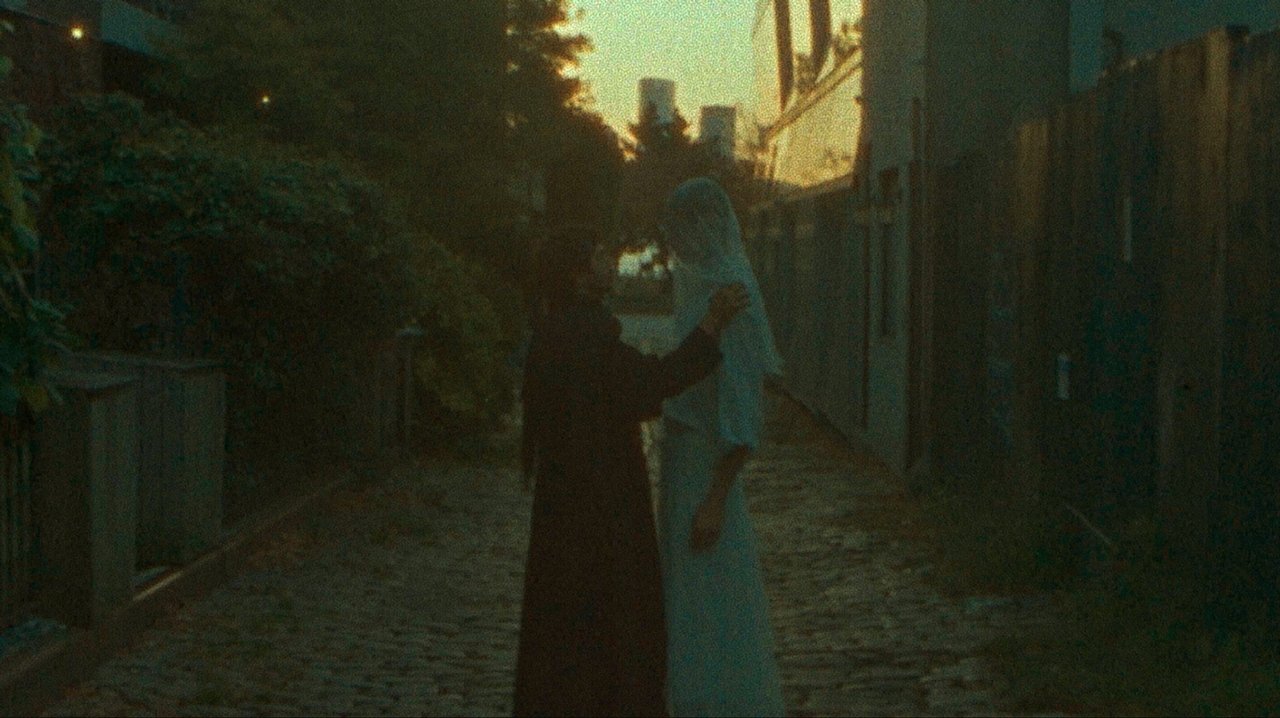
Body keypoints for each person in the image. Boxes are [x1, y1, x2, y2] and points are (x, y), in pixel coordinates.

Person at [513, 224, 750, 717]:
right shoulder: (590, 338)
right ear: (579, 276)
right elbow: (651, 385)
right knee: (617, 627)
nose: (610, 261)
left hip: (561, 506)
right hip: (605, 507)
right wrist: (710, 325)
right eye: (600, 255)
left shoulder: (552, 333)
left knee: (562, 632)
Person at [658, 178, 786, 717]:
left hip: (704, 472)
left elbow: (742, 412)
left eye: (680, 228)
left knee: (710, 597)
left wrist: (715, 497)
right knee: (689, 598)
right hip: (682, 466)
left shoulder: (733, 296)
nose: (672, 241)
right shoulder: (701, 290)